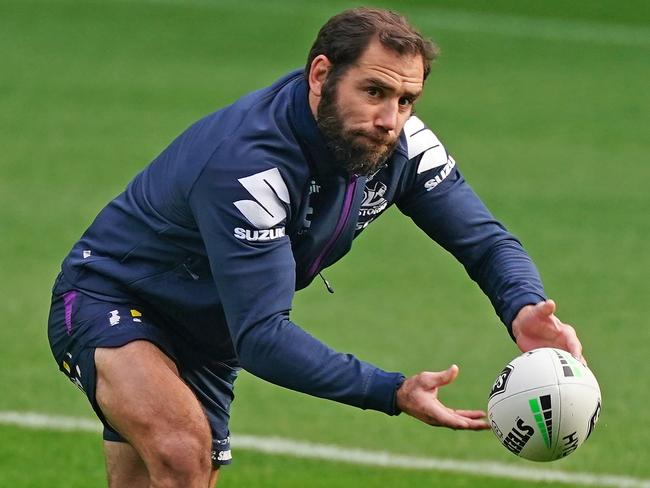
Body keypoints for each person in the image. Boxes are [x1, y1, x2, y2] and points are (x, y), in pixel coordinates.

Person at [47, 7, 584, 487]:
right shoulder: (249, 165)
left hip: (211, 334)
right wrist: (390, 391)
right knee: (184, 453)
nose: (389, 120)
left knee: (173, 473)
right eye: (373, 92)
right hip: (108, 297)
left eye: (405, 100)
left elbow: (485, 243)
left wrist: (523, 308)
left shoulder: (402, 144)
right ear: (321, 75)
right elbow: (261, 335)